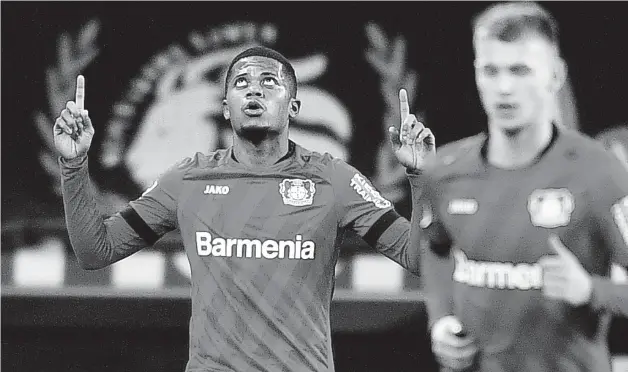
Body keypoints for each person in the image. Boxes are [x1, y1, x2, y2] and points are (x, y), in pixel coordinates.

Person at [54, 46, 435, 372]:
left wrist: (421, 177)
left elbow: (418, 257)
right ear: (225, 108)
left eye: (270, 82)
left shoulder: (333, 179)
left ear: (294, 106)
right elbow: (94, 252)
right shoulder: (188, 180)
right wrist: (73, 165)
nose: (254, 89)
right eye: (241, 82)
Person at [420, 3, 628, 372]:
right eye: (490, 71)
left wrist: (591, 291)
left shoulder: (599, 173)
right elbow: (435, 252)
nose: (504, 88)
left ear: (555, 77)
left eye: (520, 70)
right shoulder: (444, 172)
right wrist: (441, 320)